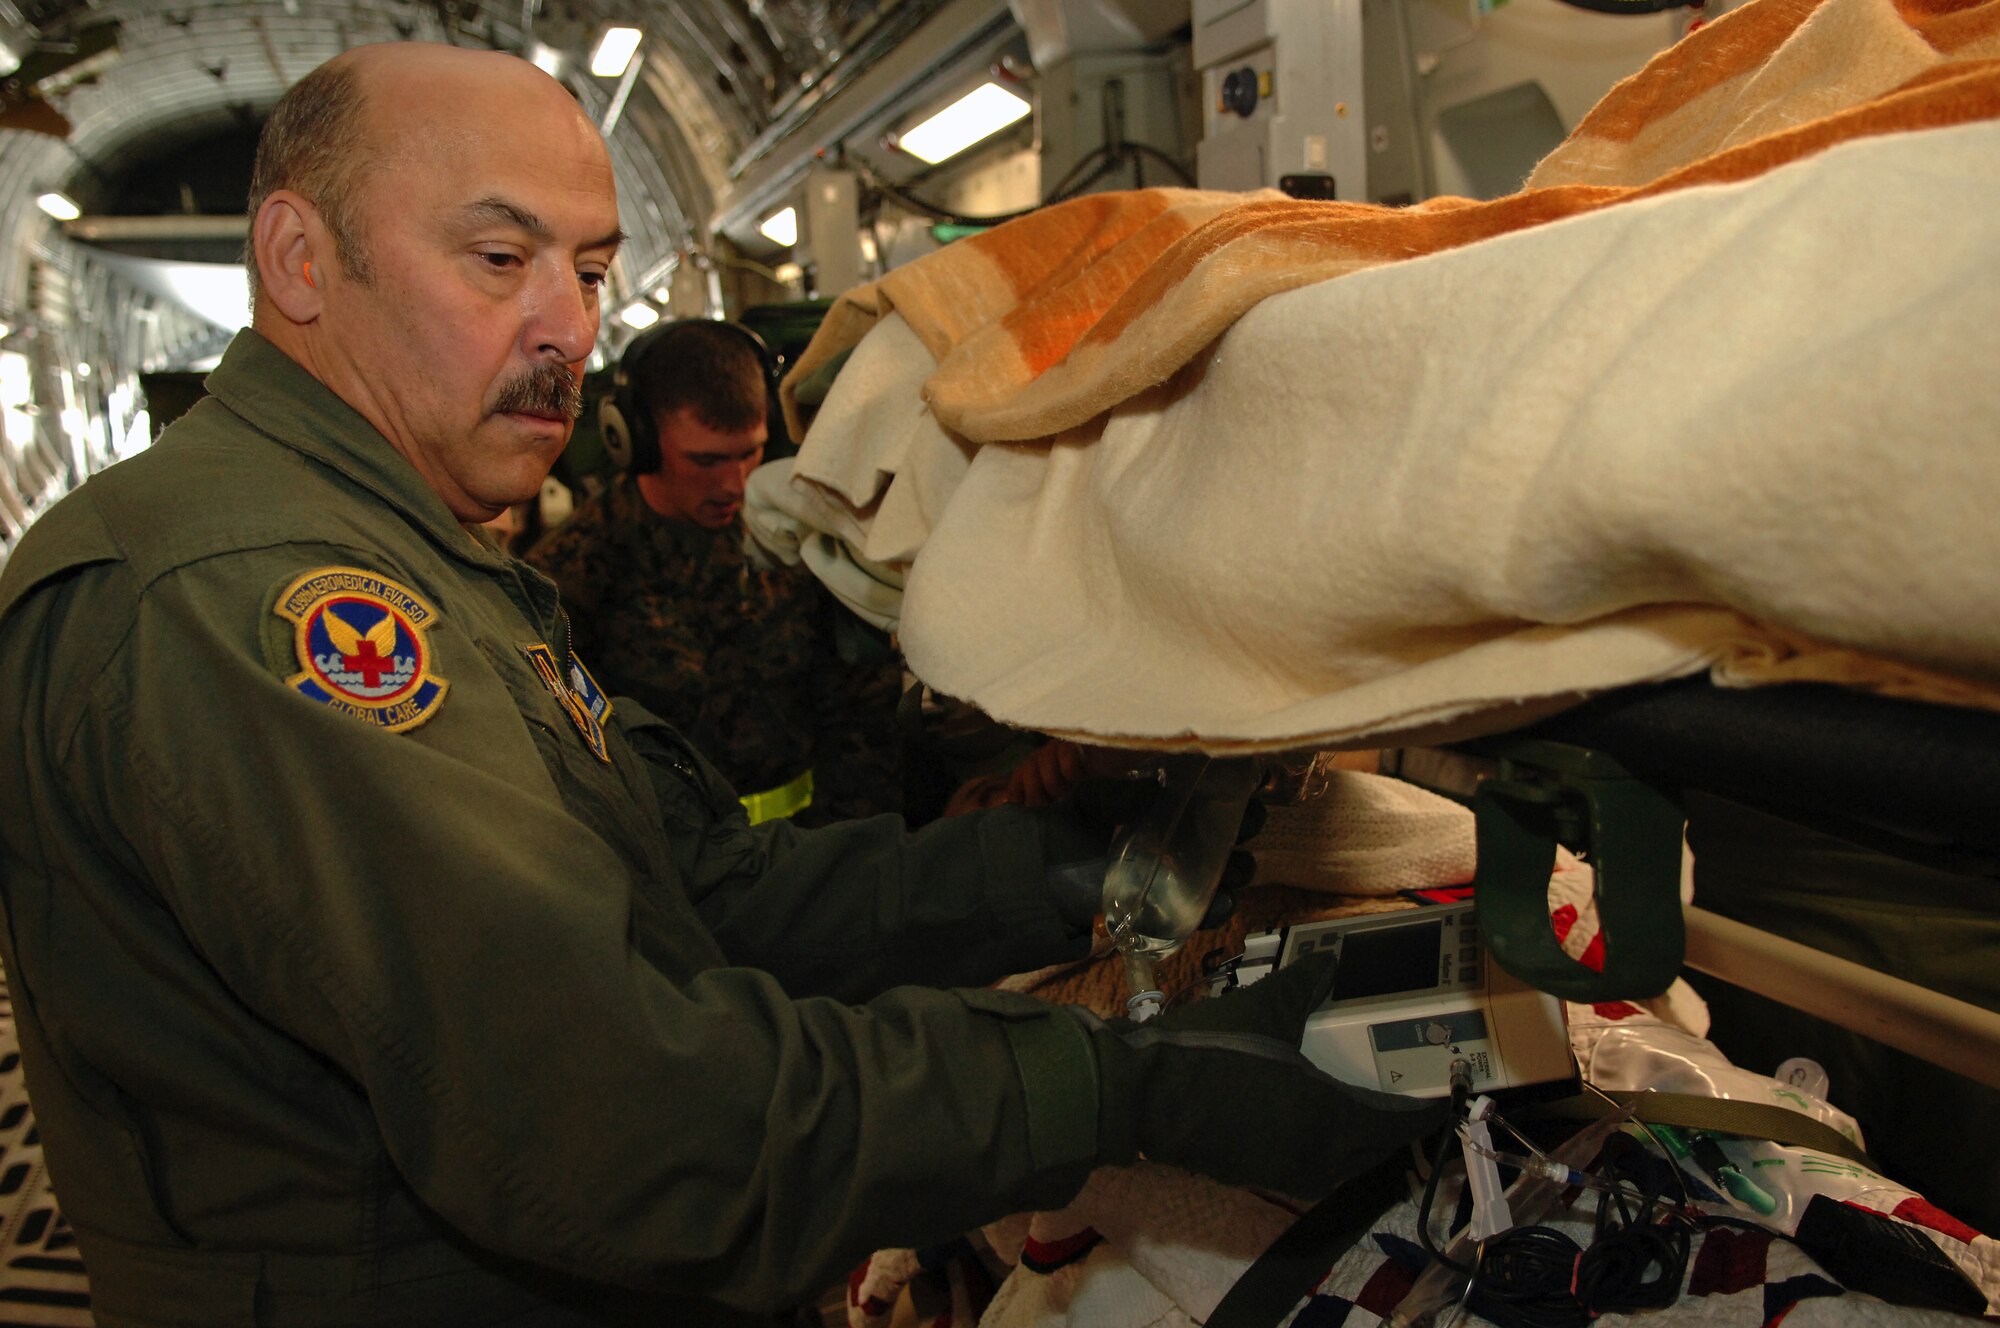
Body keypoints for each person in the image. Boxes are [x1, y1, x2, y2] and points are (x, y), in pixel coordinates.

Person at [0, 43, 1446, 1328]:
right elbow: (609, 1116)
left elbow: (698, 895)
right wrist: (1126, 1081)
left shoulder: (426, 554)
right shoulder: (253, 597)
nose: (567, 328)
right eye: (499, 261)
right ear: (301, 261)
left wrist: (1098, 860)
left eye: (587, 269)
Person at [526, 321, 902, 825]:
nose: (734, 483)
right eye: (706, 460)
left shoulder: (801, 538)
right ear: (638, 440)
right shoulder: (571, 576)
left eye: (749, 452)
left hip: (817, 852)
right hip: (676, 878)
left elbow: (863, 713)